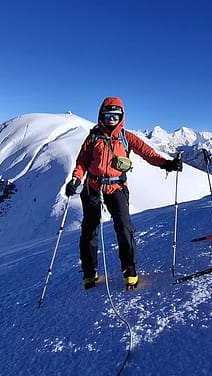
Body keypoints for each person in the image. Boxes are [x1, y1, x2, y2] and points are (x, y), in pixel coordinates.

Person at [64, 97, 182, 290]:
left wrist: (167, 164)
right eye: (108, 115)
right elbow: (82, 162)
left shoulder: (126, 138)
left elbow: (148, 153)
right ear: (101, 116)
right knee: (89, 231)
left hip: (117, 188)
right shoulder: (93, 138)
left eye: (115, 116)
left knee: (124, 228)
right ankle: (89, 272)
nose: (111, 120)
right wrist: (76, 179)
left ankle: (129, 269)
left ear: (121, 117)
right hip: (92, 187)